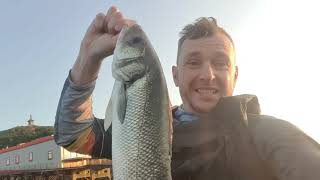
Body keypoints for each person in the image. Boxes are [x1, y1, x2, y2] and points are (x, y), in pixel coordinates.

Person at [54, 6, 320, 180]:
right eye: (193, 62)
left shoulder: (267, 134)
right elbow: (72, 134)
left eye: (220, 63)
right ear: (175, 75)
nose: (207, 74)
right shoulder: (141, 128)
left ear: (235, 75)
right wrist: (87, 59)